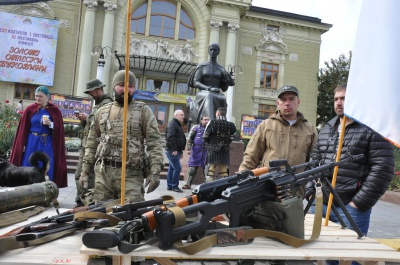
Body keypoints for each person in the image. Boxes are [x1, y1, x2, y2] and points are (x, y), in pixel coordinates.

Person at [305, 83, 394, 265]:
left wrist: (358, 203)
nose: (339, 102)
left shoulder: (372, 129)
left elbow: (383, 169)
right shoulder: (327, 128)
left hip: (350, 207)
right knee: (325, 257)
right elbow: (313, 163)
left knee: (351, 259)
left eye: (343, 98)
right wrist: (311, 193)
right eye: (336, 98)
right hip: (321, 205)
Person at [80, 70, 164, 203]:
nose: (126, 89)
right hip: (103, 175)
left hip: (131, 176)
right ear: (114, 86)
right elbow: (91, 143)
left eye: (130, 86)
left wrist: (155, 172)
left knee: (130, 216)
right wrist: (85, 171)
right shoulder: (101, 112)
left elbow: (155, 143)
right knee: (102, 216)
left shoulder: (143, 111)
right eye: (121, 85)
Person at [10, 86, 68, 188]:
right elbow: (23, 129)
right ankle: (25, 191)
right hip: (32, 141)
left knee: (46, 165)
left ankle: (47, 190)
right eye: (36, 96)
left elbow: (59, 129)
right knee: (28, 164)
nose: (37, 98)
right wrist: (22, 144)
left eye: (40, 96)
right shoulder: (29, 109)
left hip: (47, 142)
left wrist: (50, 124)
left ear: (47, 96)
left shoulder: (55, 110)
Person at [74, 78, 113, 206]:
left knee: (86, 176)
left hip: (94, 147)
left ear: (97, 90)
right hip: (87, 144)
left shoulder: (107, 103)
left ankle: (85, 202)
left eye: (90, 92)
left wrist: (88, 118)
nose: (89, 94)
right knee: (82, 175)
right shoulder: (99, 103)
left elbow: (102, 123)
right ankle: (82, 200)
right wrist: (84, 120)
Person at [187, 43, 235, 124]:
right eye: (211, 50)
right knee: (209, 96)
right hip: (203, 93)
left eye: (215, 50)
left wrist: (226, 77)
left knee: (222, 97)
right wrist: (209, 88)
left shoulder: (221, 68)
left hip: (217, 94)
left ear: (218, 52)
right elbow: (196, 82)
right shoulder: (202, 66)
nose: (212, 51)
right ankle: (210, 123)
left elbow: (224, 89)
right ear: (208, 51)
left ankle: (221, 124)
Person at [203, 107, 236, 182]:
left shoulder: (212, 122)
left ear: (217, 114)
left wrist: (209, 143)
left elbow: (205, 136)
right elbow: (232, 138)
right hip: (225, 149)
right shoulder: (231, 125)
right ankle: (223, 186)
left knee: (210, 169)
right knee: (223, 169)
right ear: (225, 114)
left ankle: (208, 185)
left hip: (212, 148)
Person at [182, 115, 210, 189]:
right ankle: (188, 184)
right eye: (205, 119)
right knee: (192, 168)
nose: (207, 121)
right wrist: (188, 149)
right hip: (196, 150)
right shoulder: (195, 127)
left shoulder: (211, 128)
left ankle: (207, 186)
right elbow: (190, 138)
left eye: (208, 120)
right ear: (201, 120)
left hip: (206, 151)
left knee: (207, 170)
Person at [165, 110, 187, 192]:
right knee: (177, 168)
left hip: (175, 150)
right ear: (176, 115)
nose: (183, 116)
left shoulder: (177, 124)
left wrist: (180, 151)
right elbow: (170, 137)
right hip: (172, 150)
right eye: (181, 115)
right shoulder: (173, 124)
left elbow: (179, 138)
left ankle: (170, 185)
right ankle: (174, 186)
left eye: (183, 114)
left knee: (172, 168)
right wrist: (174, 149)